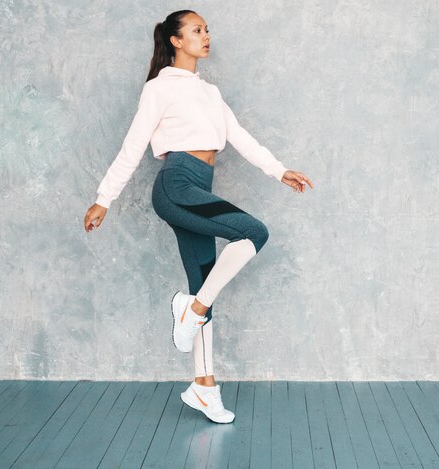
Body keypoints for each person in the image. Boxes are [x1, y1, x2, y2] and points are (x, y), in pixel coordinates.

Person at [83, 9, 313, 424]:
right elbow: (133, 145)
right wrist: (104, 198)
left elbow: (241, 138)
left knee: (202, 284)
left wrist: (279, 170)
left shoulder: (210, 93)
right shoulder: (159, 88)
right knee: (252, 233)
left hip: (198, 187)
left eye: (207, 30)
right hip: (177, 185)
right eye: (196, 30)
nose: (206, 36)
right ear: (175, 40)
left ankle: (204, 387)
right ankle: (190, 310)